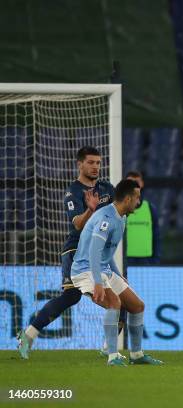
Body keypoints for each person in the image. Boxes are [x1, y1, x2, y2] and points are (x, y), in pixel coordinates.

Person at [17, 146, 115, 359]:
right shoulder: (74, 192)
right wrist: (90, 209)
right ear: (80, 164)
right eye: (91, 162)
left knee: (119, 299)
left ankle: (110, 350)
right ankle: (28, 335)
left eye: (98, 162)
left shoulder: (107, 188)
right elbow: (77, 225)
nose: (96, 166)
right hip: (76, 250)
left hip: (99, 253)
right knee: (72, 296)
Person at [70, 179, 163, 366]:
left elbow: (107, 252)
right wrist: (97, 281)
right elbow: (94, 252)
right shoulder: (106, 219)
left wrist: (118, 275)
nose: (139, 201)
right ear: (128, 199)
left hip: (103, 269)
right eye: (137, 198)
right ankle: (112, 356)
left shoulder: (122, 217)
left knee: (137, 306)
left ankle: (136, 355)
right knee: (114, 303)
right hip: (86, 270)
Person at [125, 171, 161, 265]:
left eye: (136, 181)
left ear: (142, 184)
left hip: (147, 260)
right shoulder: (121, 210)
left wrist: (156, 260)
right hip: (126, 259)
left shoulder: (150, 208)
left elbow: (156, 236)